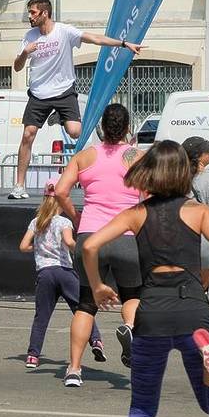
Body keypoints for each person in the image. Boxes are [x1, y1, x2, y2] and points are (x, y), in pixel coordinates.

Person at [81, 140, 209, 417]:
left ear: (149, 172)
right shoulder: (198, 212)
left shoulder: (136, 214)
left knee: (142, 407)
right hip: (192, 311)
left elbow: (90, 247)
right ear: (185, 172)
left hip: (150, 314)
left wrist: (99, 286)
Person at [8, 0, 143, 199]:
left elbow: (95, 38)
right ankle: (19, 186)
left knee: (75, 132)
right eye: (29, 12)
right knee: (28, 134)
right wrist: (25, 53)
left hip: (63, 91)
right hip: (39, 93)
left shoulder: (64, 31)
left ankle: (58, 116)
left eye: (33, 12)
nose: (30, 16)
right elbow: (17, 67)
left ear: (45, 13)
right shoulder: (29, 37)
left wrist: (123, 44)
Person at [54, 104, 143, 386]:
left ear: (102, 127)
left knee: (86, 303)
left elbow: (60, 191)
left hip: (91, 234)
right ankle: (129, 327)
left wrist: (76, 217)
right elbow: (152, 193)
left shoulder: (85, 156)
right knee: (131, 295)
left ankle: (74, 369)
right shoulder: (136, 156)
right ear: (128, 128)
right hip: (126, 236)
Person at [19, 178, 105, 370]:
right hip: (65, 271)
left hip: (45, 272)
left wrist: (40, 248)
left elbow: (23, 246)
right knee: (82, 308)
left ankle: (33, 355)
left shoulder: (36, 222)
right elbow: (69, 241)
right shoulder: (63, 221)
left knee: (42, 316)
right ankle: (96, 341)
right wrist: (82, 248)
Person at [182, 136, 209, 288]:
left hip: (182, 236)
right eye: (208, 151)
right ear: (199, 156)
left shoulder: (179, 177)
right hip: (204, 237)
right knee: (202, 286)